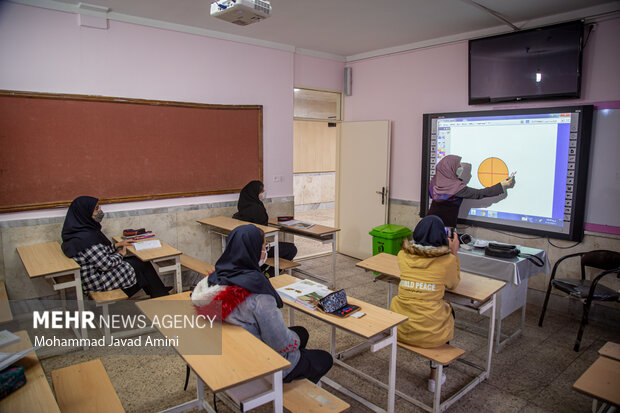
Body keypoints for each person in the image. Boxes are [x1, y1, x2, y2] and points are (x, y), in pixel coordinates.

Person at [192, 224, 332, 383]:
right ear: (253, 251)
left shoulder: (214, 279)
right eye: (264, 246)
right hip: (261, 361)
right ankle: (293, 380)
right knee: (324, 358)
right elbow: (280, 343)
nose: (266, 251)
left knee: (302, 332)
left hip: (235, 349)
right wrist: (294, 342)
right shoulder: (257, 293)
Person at [390, 215, 460, 392]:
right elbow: (453, 284)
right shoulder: (447, 260)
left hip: (401, 326)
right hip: (429, 332)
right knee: (447, 314)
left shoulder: (402, 255)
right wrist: (453, 253)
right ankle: (435, 377)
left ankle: (435, 373)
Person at [61, 196, 169, 298]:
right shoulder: (84, 239)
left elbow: (98, 253)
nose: (99, 211)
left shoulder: (77, 232)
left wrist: (116, 245)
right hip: (97, 281)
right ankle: (160, 294)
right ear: (84, 213)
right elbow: (106, 264)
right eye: (96, 208)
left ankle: (158, 291)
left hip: (93, 276)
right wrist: (120, 254)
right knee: (141, 265)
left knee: (138, 263)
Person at [428, 155, 515, 227]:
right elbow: (479, 193)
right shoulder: (455, 188)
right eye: (458, 166)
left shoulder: (435, 182)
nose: (460, 169)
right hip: (444, 228)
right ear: (450, 169)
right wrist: (502, 185)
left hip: (429, 223)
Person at [233, 180, 297, 270]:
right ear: (255, 193)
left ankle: (265, 269)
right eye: (262, 192)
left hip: (244, 248)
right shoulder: (257, 209)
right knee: (291, 248)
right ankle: (269, 272)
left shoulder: (242, 207)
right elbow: (262, 230)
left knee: (281, 245)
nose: (263, 194)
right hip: (257, 249)